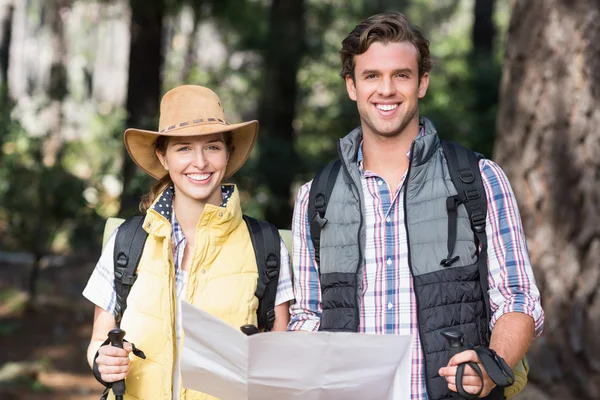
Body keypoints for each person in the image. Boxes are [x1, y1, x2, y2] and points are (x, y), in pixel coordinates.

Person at [287, 12, 544, 399]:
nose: (386, 89)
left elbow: (518, 297)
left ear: (421, 82)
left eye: (401, 75)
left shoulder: (479, 179)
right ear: (351, 86)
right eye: (371, 75)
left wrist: (492, 366)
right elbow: (308, 317)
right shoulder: (315, 197)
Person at [83, 85, 294, 400]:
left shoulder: (266, 245)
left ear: (227, 152)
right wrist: (103, 362)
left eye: (212, 147)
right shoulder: (127, 241)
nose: (200, 162)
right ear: (163, 156)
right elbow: (98, 341)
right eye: (183, 148)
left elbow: (282, 358)